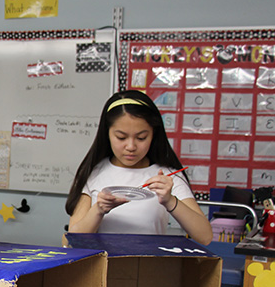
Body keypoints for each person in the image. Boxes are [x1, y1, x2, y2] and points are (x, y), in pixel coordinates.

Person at [65, 90, 212, 245]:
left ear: (153, 134)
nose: (131, 146)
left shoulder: (167, 175)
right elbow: (73, 240)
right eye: (121, 137)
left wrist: (170, 201)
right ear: (107, 133)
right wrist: (99, 209)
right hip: (104, 268)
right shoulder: (94, 172)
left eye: (141, 138)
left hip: (148, 267)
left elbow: (205, 236)